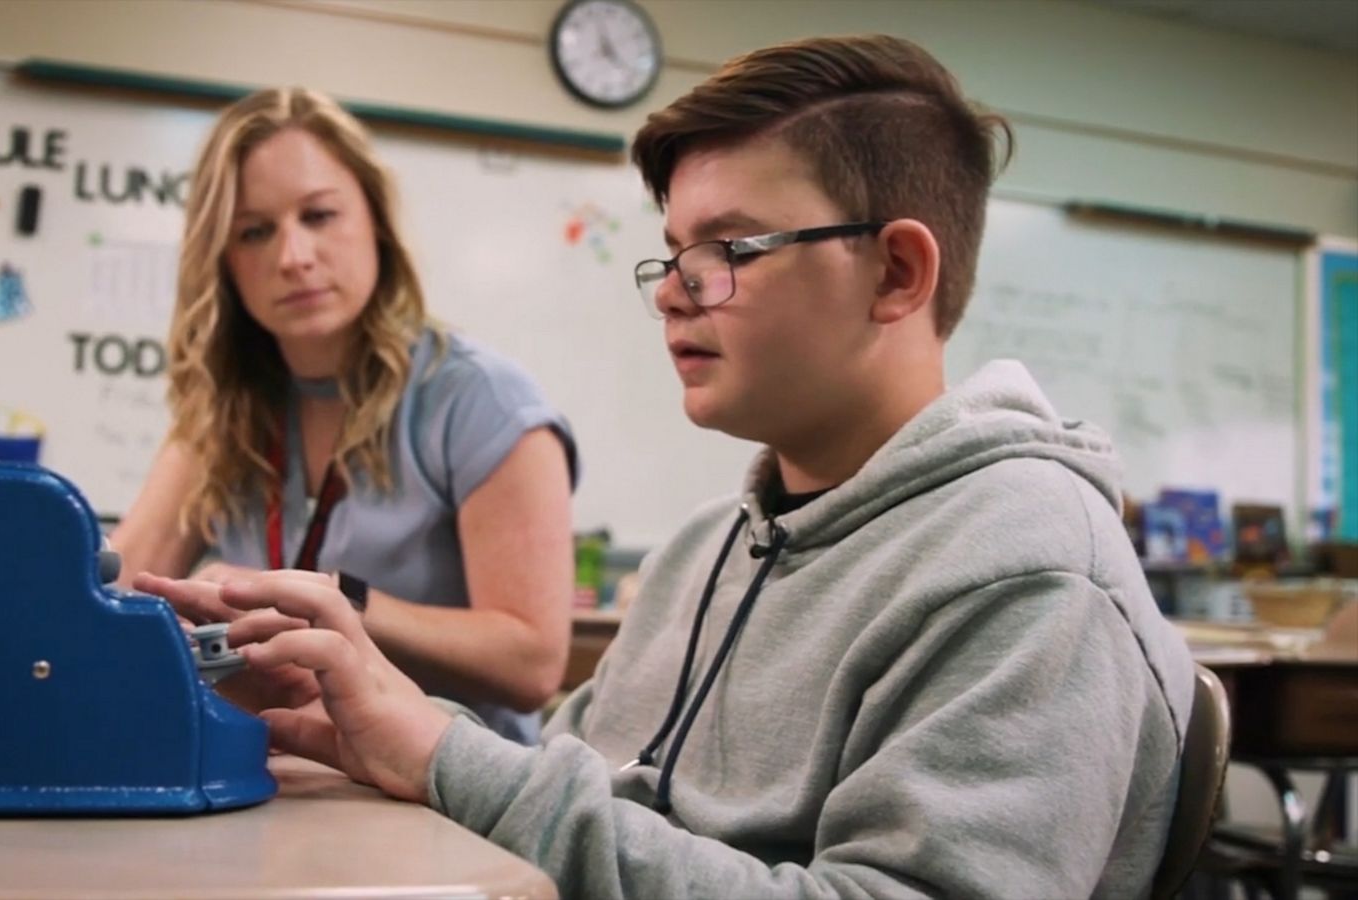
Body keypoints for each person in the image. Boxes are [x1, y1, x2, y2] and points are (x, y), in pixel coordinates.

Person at [138, 35, 1196, 899]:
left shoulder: (1031, 573)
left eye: (728, 252)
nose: (672, 292)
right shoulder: (708, 550)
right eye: (672, 252)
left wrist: (437, 755)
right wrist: (367, 724)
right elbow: (570, 785)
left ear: (897, 271)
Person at [112, 87, 577, 745]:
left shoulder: (483, 400)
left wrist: (334, 598)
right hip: (283, 772)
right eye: (255, 231)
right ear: (224, 264)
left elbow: (532, 663)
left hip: (454, 804)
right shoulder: (226, 409)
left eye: (320, 215)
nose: (293, 256)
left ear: (376, 223)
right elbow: (120, 589)